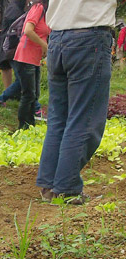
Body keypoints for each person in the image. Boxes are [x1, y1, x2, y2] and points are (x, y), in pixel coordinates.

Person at [36, 0, 116, 205]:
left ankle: (49, 185)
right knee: (84, 119)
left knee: (58, 119)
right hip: (89, 36)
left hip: (57, 38)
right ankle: (67, 189)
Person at [13, 0, 50, 129]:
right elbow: (28, 30)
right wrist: (44, 45)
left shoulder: (47, 12)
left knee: (34, 95)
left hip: (35, 58)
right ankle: (23, 126)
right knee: (28, 94)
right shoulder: (38, 8)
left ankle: (30, 125)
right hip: (25, 56)